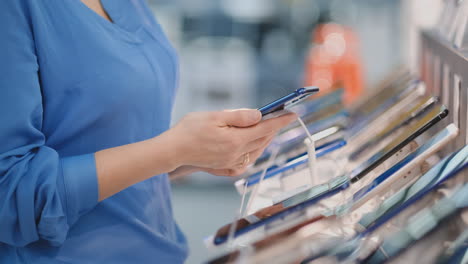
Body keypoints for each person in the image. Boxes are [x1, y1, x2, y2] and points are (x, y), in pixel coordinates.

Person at [0, 0, 296, 263]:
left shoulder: (131, 5)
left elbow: (110, 146)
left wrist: (199, 153)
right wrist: (172, 150)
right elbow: (10, 197)